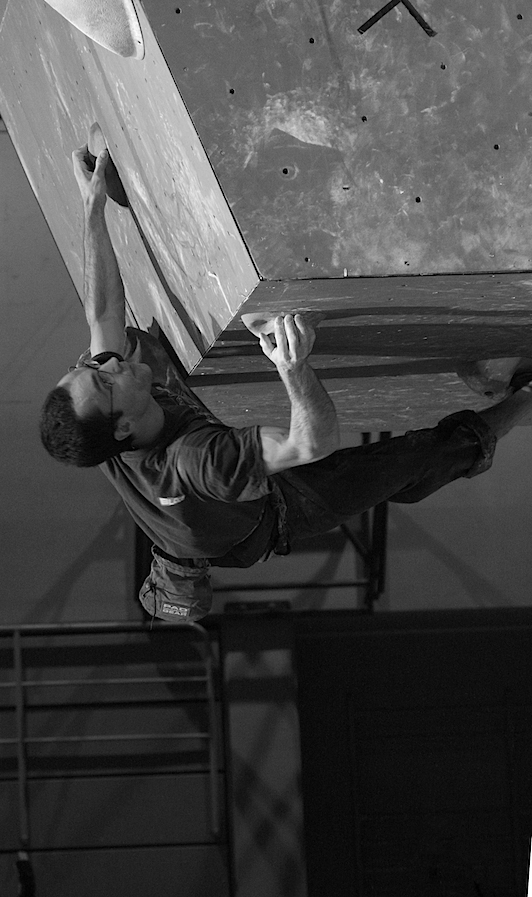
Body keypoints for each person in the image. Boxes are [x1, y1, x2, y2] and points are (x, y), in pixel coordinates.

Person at [40, 138, 532, 622]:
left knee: (142, 350)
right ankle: (524, 400)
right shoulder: (201, 463)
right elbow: (309, 444)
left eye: (91, 368)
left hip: (187, 503)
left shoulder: (105, 415)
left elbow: (102, 312)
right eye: (104, 381)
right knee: (410, 463)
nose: (106, 365)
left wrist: (92, 207)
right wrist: (293, 368)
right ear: (123, 427)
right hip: (276, 511)